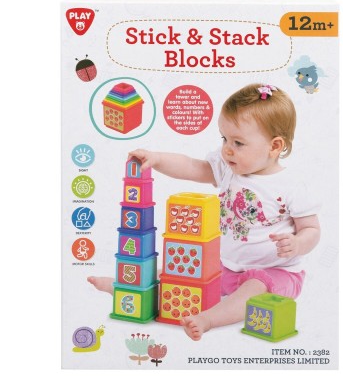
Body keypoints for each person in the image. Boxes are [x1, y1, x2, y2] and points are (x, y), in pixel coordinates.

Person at [89, 83, 320, 341]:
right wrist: (157, 159)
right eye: (224, 139)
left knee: (254, 289)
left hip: (276, 273)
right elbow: (191, 167)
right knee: (180, 272)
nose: (227, 149)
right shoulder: (228, 168)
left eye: (238, 142)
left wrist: (297, 244)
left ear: (274, 146)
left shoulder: (291, 186)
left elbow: (311, 228)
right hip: (226, 268)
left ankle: (209, 319)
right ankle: (127, 287)